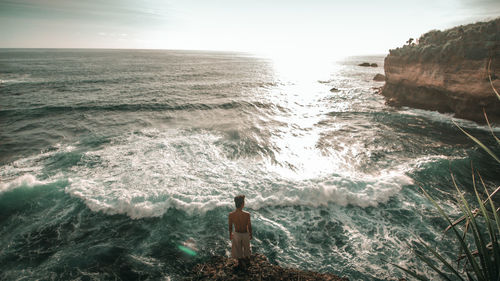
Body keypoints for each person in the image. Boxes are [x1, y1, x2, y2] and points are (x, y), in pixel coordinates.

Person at [228, 195, 252, 269]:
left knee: (238, 249)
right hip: (245, 233)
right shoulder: (247, 214)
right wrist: (251, 234)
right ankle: (247, 261)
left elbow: (230, 226)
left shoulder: (231, 215)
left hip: (237, 233)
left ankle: (240, 262)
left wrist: (230, 234)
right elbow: (249, 226)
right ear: (242, 204)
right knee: (247, 248)